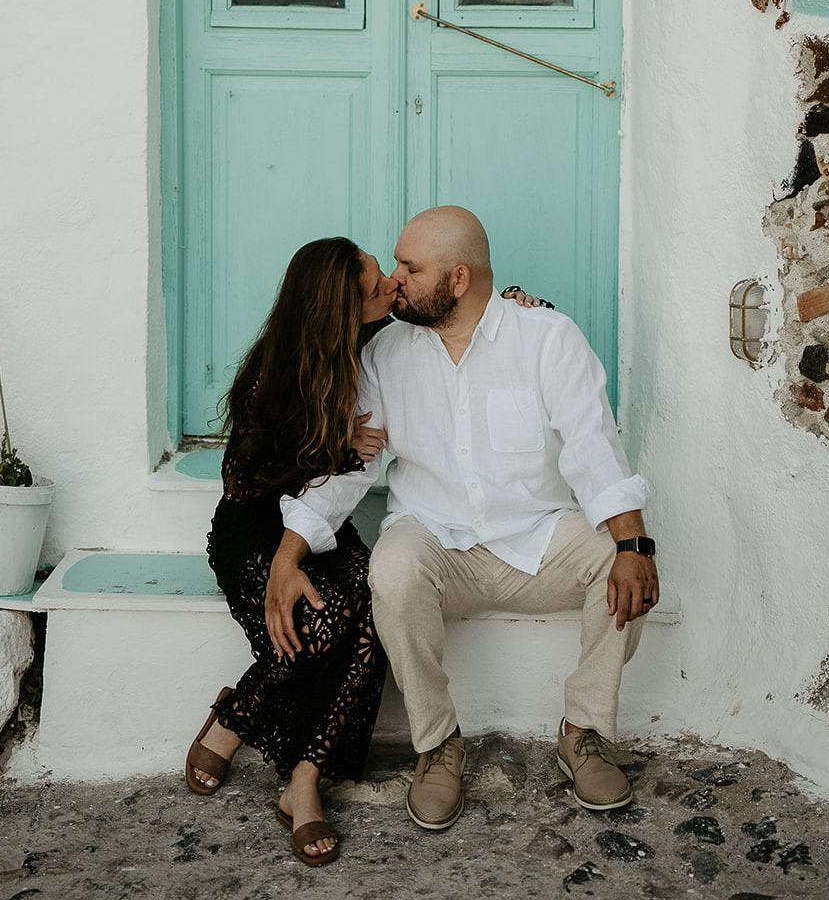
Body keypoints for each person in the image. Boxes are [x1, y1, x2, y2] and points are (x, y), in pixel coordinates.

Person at [269, 206, 659, 832]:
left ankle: (583, 732)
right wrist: (287, 556)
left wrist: (634, 543)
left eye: (410, 268)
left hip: (535, 540)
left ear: (457, 279)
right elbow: (350, 471)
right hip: (437, 545)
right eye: (395, 264)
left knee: (622, 560)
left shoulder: (548, 338)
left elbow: (593, 447)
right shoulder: (385, 354)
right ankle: (438, 745)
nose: (395, 280)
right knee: (392, 567)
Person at [184, 236, 394, 867]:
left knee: (372, 605)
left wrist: (519, 300)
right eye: (375, 287)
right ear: (340, 312)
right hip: (254, 531)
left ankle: (304, 778)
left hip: (322, 522)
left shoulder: (382, 334)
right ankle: (238, 714)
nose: (390, 286)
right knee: (319, 625)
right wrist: (332, 443)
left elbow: (461, 308)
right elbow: (243, 483)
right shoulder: (272, 375)